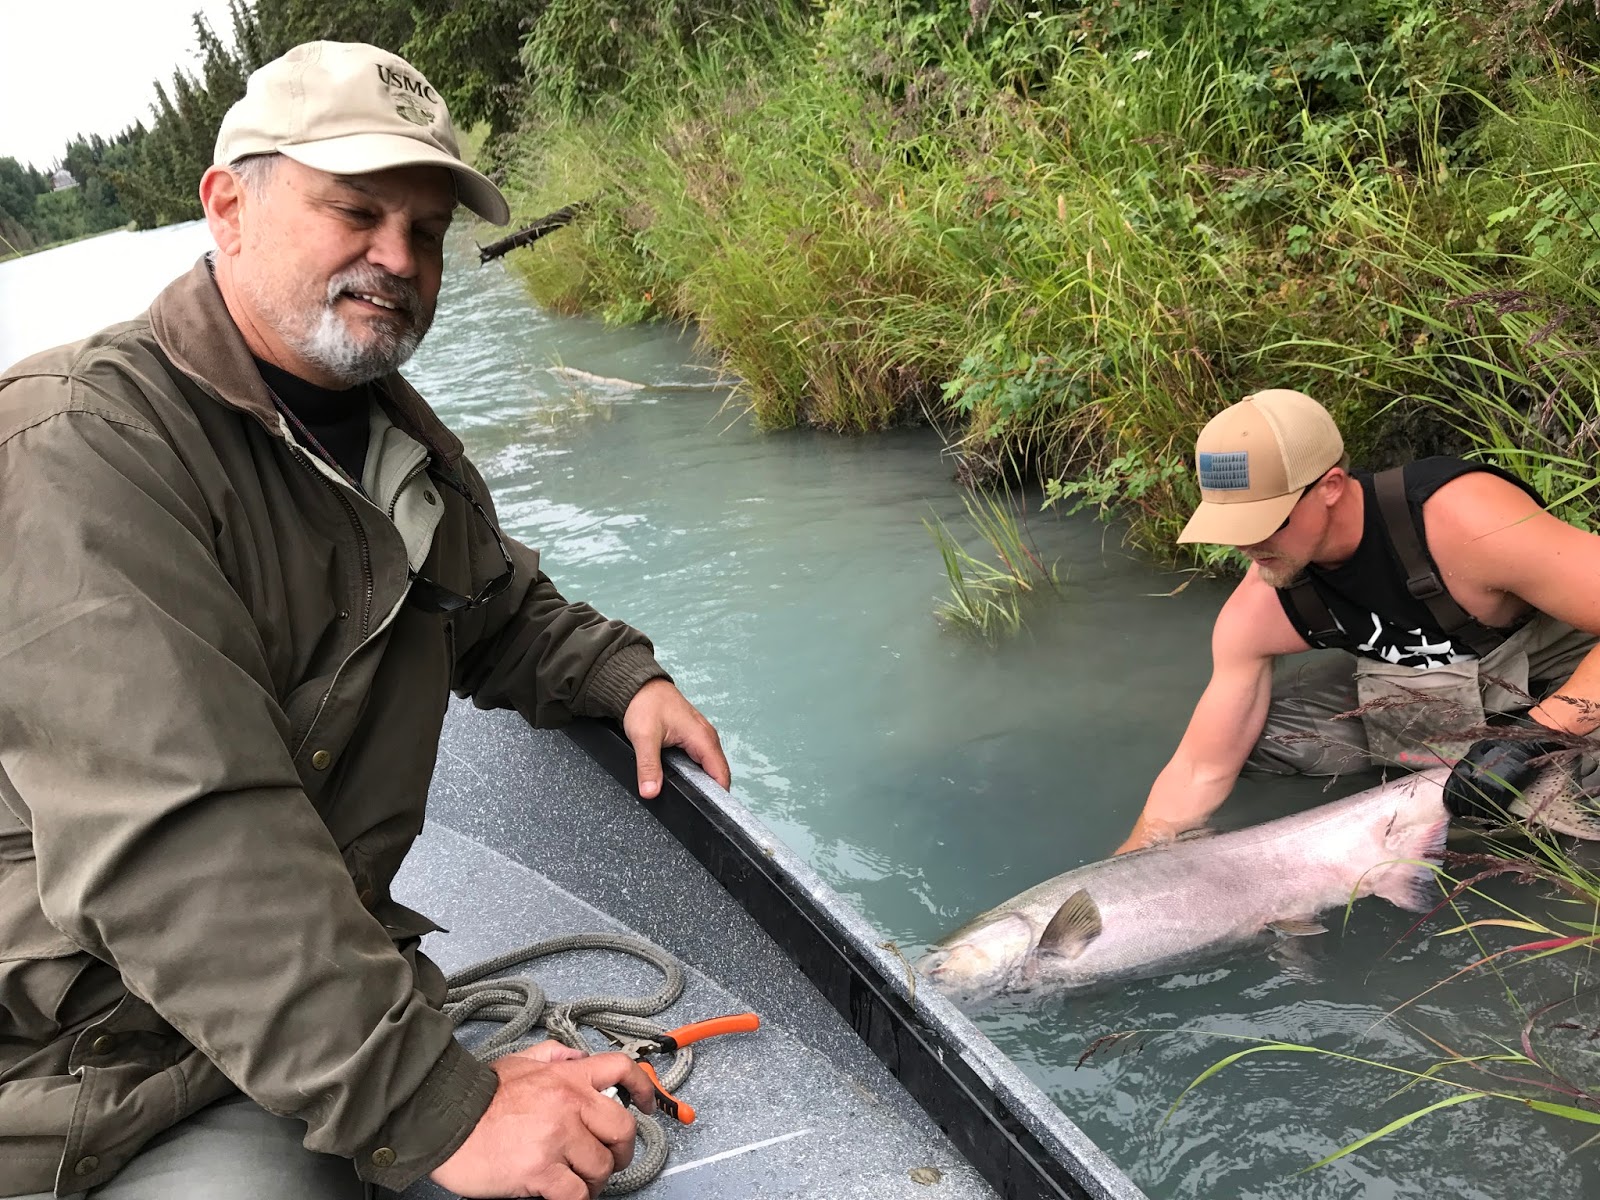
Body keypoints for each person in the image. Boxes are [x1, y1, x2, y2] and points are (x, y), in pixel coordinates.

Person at [0, 42, 732, 1200]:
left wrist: (619, 678)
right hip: (90, 1073)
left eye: (427, 229)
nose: (397, 257)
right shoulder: (77, 445)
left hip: (277, 1017)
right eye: (355, 209)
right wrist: (438, 1110)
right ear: (227, 206)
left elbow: (495, 611)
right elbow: (187, 844)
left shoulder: (385, 440)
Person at [1115, 387, 1600, 855]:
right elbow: (1199, 769)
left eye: (1262, 522)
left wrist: (1530, 740)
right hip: (1438, 694)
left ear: (1329, 487)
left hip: (1559, 678)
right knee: (1257, 738)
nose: (1244, 547)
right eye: (1230, 526)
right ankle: (1430, 795)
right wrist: (1129, 869)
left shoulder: (1463, 519)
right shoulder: (1261, 606)